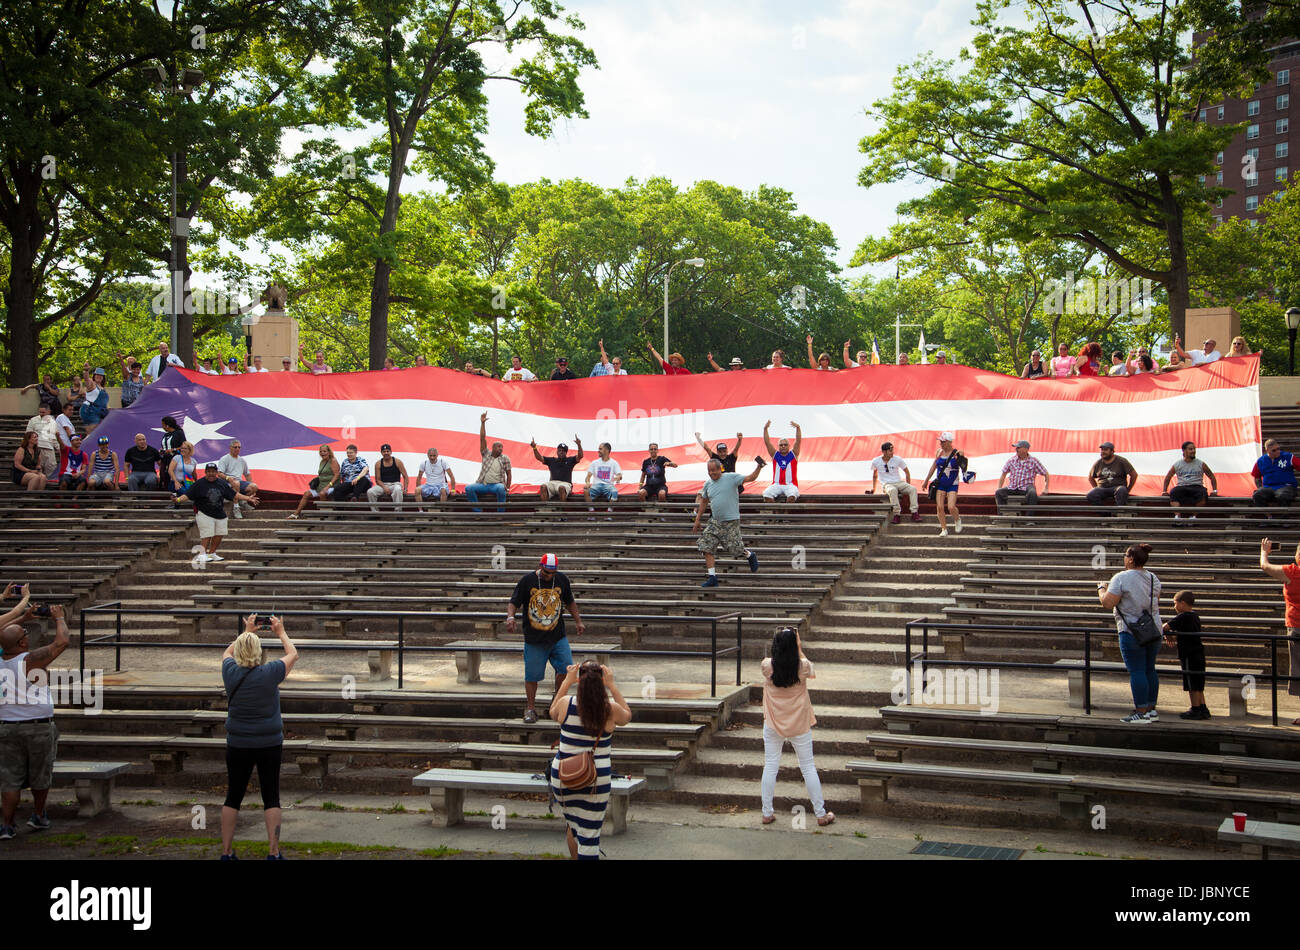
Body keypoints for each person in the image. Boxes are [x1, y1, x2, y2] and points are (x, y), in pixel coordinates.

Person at [220, 614, 297, 860]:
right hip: (268, 742)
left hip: (238, 742)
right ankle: (273, 852)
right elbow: (293, 654)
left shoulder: (230, 672)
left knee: (233, 796)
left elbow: (226, 653)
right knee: (271, 796)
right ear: (260, 651)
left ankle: (226, 851)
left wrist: (246, 631)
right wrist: (281, 632)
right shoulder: (270, 672)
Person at [546, 661, 631, 860]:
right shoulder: (610, 709)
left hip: (564, 775)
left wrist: (566, 682)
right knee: (589, 836)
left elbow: (552, 712)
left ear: (580, 680)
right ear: (602, 680)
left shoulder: (567, 703)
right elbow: (627, 715)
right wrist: (612, 686)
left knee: (576, 828)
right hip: (595, 778)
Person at [0, 593, 68, 839]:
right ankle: (38, 815)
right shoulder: (29, 661)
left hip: (6, 727)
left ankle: (6, 824)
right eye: (25, 634)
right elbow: (61, 643)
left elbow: (3, 636)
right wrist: (59, 619)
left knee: (8, 779)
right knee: (40, 775)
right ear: (21, 644)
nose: (28, 636)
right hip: (37, 727)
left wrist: (23, 618)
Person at [759, 627, 833, 828]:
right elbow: (811, 669)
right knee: (808, 767)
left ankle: (767, 813)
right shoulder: (803, 666)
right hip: (799, 724)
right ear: (795, 645)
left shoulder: (767, 666)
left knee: (770, 766)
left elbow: (773, 660)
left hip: (773, 723)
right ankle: (820, 814)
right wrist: (799, 647)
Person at [507, 553, 585, 724]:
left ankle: (556, 700)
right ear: (540, 566)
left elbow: (570, 601)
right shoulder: (527, 581)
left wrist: (578, 621)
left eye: (552, 573)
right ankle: (530, 708)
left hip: (557, 636)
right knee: (532, 676)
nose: (549, 576)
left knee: (567, 668)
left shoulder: (562, 580)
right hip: (534, 638)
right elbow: (514, 602)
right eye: (547, 572)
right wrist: (510, 617)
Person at [1098, 543, 1162, 723]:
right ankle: (1151, 709)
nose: (1124, 558)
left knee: (1137, 671)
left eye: (1126, 555)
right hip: (1153, 628)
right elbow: (1155, 599)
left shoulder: (1121, 578)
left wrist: (1101, 589)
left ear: (1131, 559)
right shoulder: (1152, 577)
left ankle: (1140, 711)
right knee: (1150, 669)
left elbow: (1108, 603)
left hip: (1131, 630)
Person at [693, 457, 763, 587]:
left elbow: (750, 478)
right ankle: (712, 577)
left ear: (720, 469)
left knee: (735, 549)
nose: (712, 473)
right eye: (709, 471)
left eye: (714, 470)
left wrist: (759, 467)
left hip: (731, 521)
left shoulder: (731, 478)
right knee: (705, 546)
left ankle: (749, 555)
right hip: (715, 521)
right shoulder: (708, 484)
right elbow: (703, 501)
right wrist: (697, 520)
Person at [174, 462, 258, 562]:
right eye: (209, 472)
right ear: (205, 472)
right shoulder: (199, 484)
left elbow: (234, 494)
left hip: (219, 513)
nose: (211, 474)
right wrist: (178, 500)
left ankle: (212, 553)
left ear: (216, 472)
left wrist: (248, 498)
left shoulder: (222, 483)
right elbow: (187, 495)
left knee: (219, 534)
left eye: (213, 472)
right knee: (207, 534)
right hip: (204, 512)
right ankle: (202, 554)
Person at [1258, 538, 1300, 723]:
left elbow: (1265, 566)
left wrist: (1265, 551)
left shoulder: (1293, 572)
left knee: (1299, 668)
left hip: (1297, 625)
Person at [1162, 590, 1208, 720]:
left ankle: (1195, 708)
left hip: (1188, 653)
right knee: (1198, 682)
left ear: (1182, 603)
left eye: (1175, 603)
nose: (1174, 607)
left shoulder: (1183, 616)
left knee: (1191, 683)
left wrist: (1167, 633)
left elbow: (1164, 626)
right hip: (1198, 652)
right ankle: (1203, 707)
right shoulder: (1195, 616)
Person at [921, 432, 967, 536]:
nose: (941, 443)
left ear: (950, 442)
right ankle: (944, 528)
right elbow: (934, 466)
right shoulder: (939, 452)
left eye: (943, 441)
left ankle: (957, 519)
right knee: (940, 507)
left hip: (952, 483)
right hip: (941, 483)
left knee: (951, 506)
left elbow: (964, 467)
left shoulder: (958, 452)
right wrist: (926, 480)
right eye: (940, 441)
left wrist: (960, 460)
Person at [466, 412, 512, 512]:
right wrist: (482, 423)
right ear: (493, 447)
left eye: (502, 447)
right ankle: (478, 512)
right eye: (499, 446)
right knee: (469, 488)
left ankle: (500, 514)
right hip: (483, 484)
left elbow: (509, 474)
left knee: (501, 489)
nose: (501, 448)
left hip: (497, 485)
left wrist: (508, 488)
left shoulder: (505, 458)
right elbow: (482, 438)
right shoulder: (486, 454)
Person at [1162, 441, 1218, 519]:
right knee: (1174, 492)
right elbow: (1168, 477)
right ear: (1184, 451)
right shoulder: (1177, 464)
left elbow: (1212, 476)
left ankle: (1193, 516)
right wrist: (1164, 491)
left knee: (1203, 494)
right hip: (1182, 486)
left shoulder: (1201, 464)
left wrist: (1215, 491)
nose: (1193, 451)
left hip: (1197, 486)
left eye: (1194, 449)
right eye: (1190, 449)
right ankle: (1177, 517)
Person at [868, 442, 920, 524]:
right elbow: (875, 475)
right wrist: (873, 489)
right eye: (890, 450)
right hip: (887, 484)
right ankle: (897, 514)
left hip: (899, 482)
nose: (892, 452)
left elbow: (907, 472)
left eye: (892, 450)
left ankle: (914, 512)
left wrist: (908, 484)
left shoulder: (897, 459)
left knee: (913, 489)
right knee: (892, 490)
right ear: (884, 452)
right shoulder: (876, 461)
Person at [994, 440, 1050, 509]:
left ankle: (1029, 517)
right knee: (998, 492)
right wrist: (999, 487)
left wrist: (1046, 488)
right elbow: (1003, 474)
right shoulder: (1011, 460)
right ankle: (1004, 513)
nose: (1016, 449)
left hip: (1026, 487)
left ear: (1026, 449)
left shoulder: (1033, 461)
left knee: (1032, 493)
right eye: (1016, 447)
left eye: (1018, 447)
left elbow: (1046, 473)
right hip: (1013, 487)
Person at [289, 445, 340, 519]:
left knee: (322, 493)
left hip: (332, 485)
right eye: (321, 451)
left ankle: (324, 514)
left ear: (329, 452)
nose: (322, 453)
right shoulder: (322, 462)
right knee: (306, 494)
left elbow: (337, 475)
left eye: (324, 451)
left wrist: (328, 486)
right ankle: (296, 514)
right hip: (321, 485)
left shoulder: (333, 461)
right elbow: (321, 474)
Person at [1251, 439, 1299, 509]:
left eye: (1278, 449)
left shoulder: (1288, 457)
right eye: (1274, 450)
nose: (1277, 451)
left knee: (1282, 495)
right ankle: (1268, 515)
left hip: (1286, 486)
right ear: (1267, 450)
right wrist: (1260, 487)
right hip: (1269, 487)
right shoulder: (1261, 461)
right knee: (1257, 495)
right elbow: (1257, 477)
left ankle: (1284, 518)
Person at [531, 437, 583, 501]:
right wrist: (534, 448)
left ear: (566, 452)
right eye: (559, 450)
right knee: (543, 487)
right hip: (552, 483)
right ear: (557, 451)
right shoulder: (552, 460)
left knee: (561, 488)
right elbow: (539, 458)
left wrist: (579, 445)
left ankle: (561, 510)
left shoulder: (570, 460)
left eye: (563, 451)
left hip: (565, 483)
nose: (561, 452)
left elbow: (580, 456)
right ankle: (545, 509)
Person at [762, 420, 801, 502]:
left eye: (785, 444)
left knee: (792, 496)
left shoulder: (793, 454)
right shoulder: (775, 455)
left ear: (789, 446)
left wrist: (798, 428)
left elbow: (798, 441)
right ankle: (777, 513)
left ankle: (785, 514)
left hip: (791, 485)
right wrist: (765, 429)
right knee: (766, 494)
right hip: (777, 484)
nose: (783, 446)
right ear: (778, 446)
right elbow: (767, 442)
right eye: (781, 445)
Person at [217, 440, 258, 519]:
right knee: (236, 483)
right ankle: (236, 507)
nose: (237, 449)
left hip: (238, 482)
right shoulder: (224, 459)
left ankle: (243, 501)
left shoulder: (242, 460)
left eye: (239, 447)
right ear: (230, 448)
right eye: (235, 447)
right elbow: (219, 473)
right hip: (226, 482)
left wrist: (252, 488)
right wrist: (228, 478)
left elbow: (247, 474)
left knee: (254, 486)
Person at [366, 443, 409, 512]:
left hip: (395, 484)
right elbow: (378, 480)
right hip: (383, 485)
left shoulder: (398, 462)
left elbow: (405, 476)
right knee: (370, 492)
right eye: (384, 451)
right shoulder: (378, 463)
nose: (386, 453)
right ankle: (375, 512)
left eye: (387, 451)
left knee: (397, 489)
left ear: (391, 452)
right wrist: (384, 487)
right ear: (381, 453)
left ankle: (398, 512)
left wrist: (406, 489)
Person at [583, 443, 622, 512]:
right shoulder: (594, 463)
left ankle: (609, 511)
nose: (598, 451)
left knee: (614, 492)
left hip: (608, 485)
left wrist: (617, 477)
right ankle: (591, 511)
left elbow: (620, 475)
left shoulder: (614, 463)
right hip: (596, 485)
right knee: (586, 491)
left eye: (600, 449)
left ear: (607, 450)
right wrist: (588, 483)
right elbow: (588, 476)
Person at [24, 405, 60, 478]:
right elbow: (28, 434)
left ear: (48, 412)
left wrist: (58, 448)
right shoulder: (33, 420)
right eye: (40, 412)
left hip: (49, 448)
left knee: (51, 468)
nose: (41, 414)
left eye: (43, 412)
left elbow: (54, 437)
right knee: (38, 470)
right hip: (37, 448)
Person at [158, 416, 185, 492]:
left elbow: (184, 446)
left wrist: (173, 449)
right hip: (165, 459)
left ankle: (176, 494)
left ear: (167, 425)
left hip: (175, 458)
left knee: (173, 476)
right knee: (164, 475)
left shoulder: (179, 433)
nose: (162, 427)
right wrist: (162, 450)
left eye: (163, 424)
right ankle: (167, 494)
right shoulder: (166, 435)